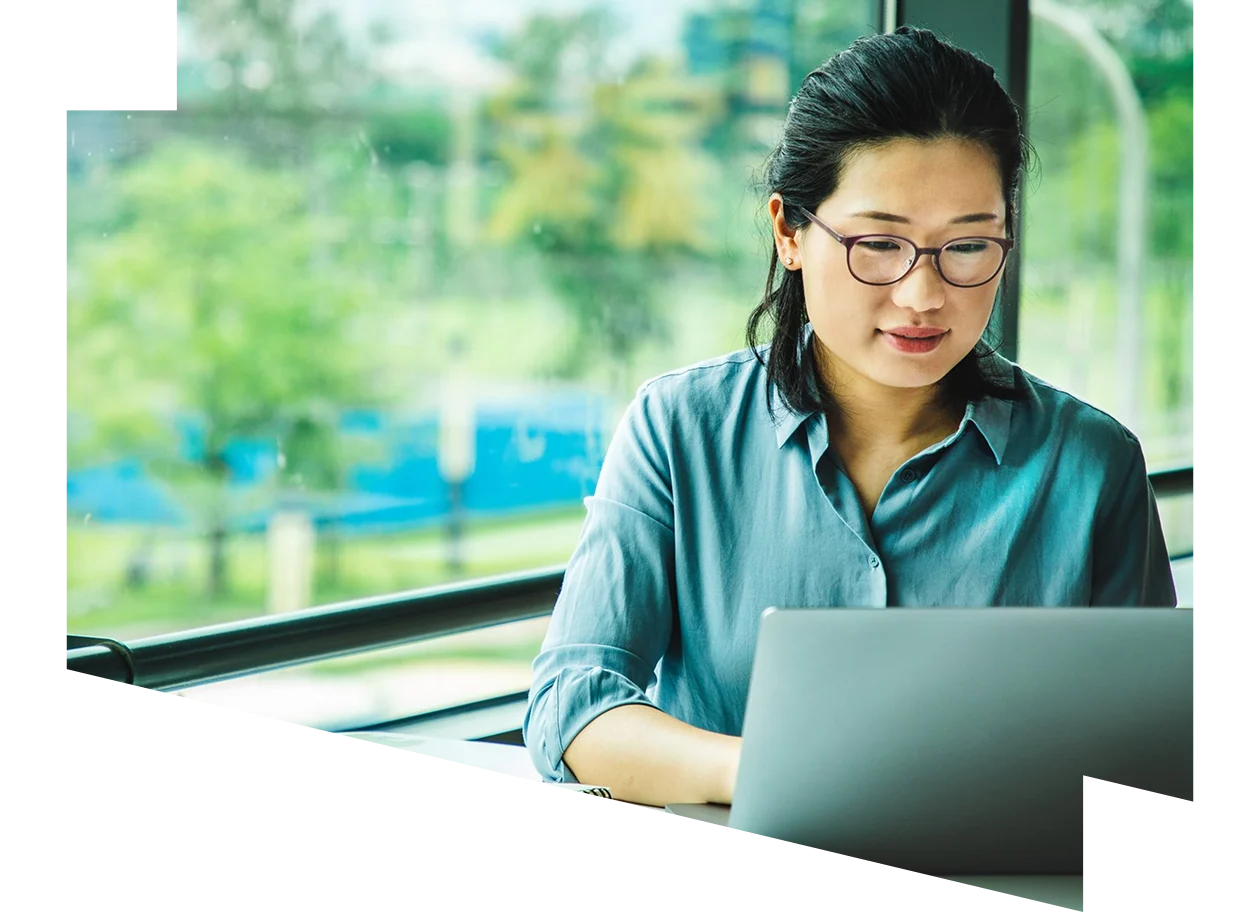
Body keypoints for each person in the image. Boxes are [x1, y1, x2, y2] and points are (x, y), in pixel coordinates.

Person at [521, 26, 1177, 809]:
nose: (923, 296)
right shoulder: (679, 429)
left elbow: (1152, 740)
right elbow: (573, 704)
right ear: (789, 232)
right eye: (878, 243)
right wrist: (782, 765)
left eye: (967, 246)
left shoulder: (1091, 464)